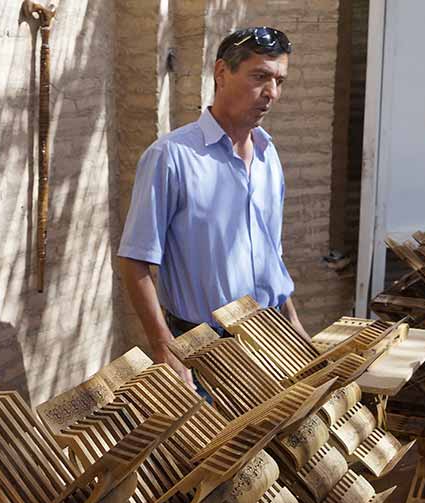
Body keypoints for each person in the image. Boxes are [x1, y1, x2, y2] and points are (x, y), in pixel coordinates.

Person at [117, 26, 307, 391]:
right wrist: (163, 346)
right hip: (204, 352)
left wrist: (293, 324)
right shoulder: (171, 157)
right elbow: (135, 260)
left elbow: (271, 256)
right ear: (221, 72)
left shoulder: (268, 155)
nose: (272, 93)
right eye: (260, 77)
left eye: (279, 81)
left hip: (273, 342)